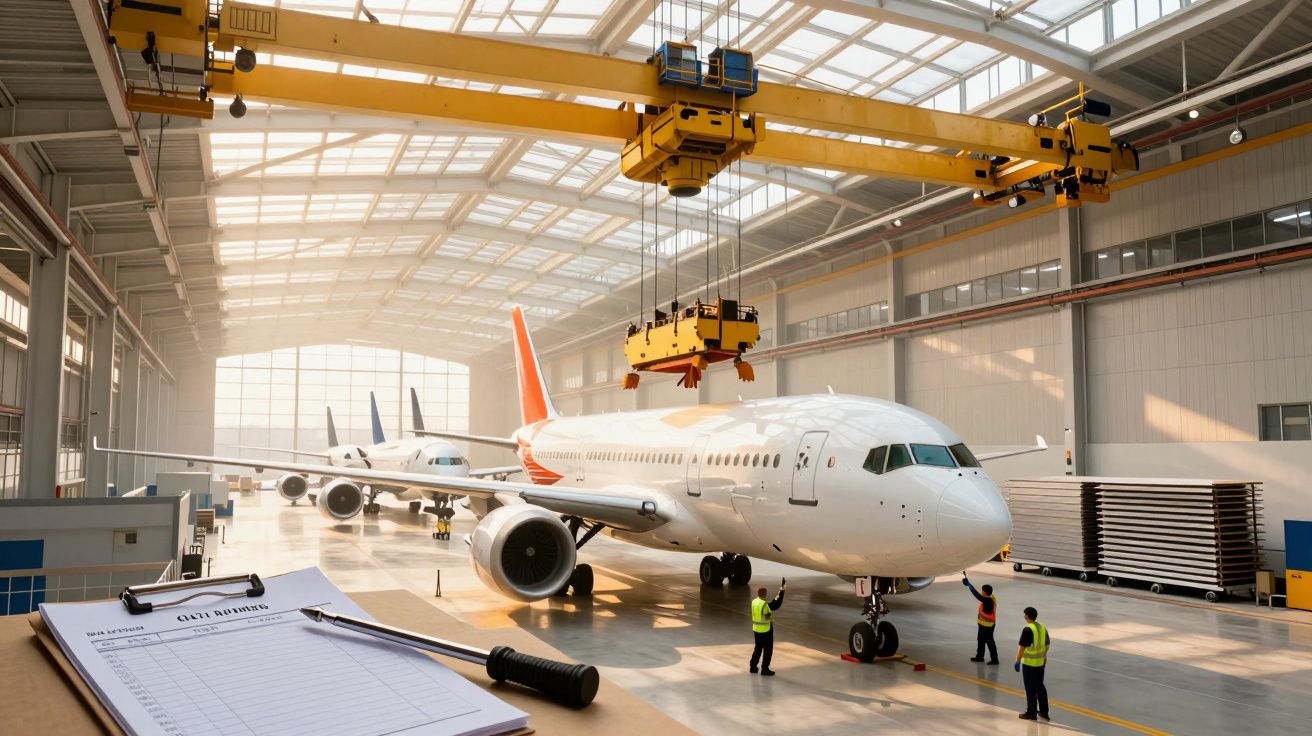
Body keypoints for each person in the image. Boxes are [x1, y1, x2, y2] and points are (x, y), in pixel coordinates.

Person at [1014, 606, 1050, 721]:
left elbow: (1022, 648)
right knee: (1040, 687)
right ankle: (1044, 712)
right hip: (1040, 664)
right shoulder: (1042, 627)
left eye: (1024, 614)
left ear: (1027, 616)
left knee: (1030, 689)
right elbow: (1047, 644)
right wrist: (1044, 656)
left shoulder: (1027, 629)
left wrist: (1018, 661)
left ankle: (1031, 712)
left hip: (1029, 665)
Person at [749, 578, 786, 676]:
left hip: (756, 630)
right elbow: (776, 603)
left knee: (757, 649)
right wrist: (782, 589)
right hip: (766, 630)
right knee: (768, 650)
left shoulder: (754, 602)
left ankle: (753, 667)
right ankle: (765, 669)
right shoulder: (765, 604)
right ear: (764, 594)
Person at [962, 576, 998, 664]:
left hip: (986, 626)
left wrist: (969, 585)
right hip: (987, 624)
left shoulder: (988, 601)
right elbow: (980, 596)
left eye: (982, 590)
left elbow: (977, 595)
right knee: (982, 640)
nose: (981, 592)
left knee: (989, 642)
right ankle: (980, 657)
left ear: (985, 592)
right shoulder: (992, 597)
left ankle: (994, 659)